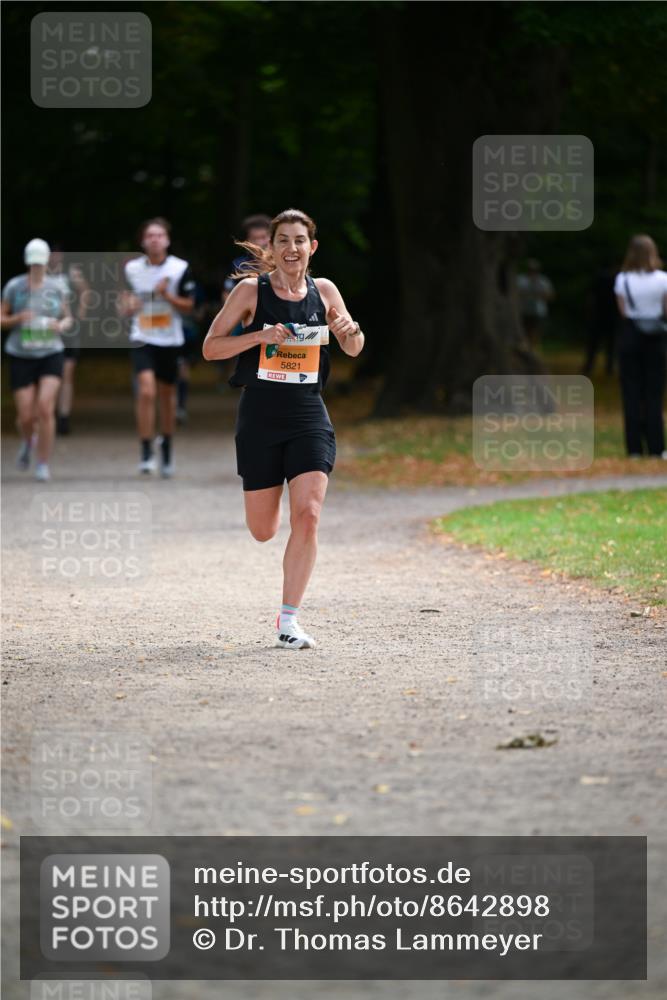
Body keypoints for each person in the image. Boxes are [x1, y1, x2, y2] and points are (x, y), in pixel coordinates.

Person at [202, 208, 364, 649]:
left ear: (311, 248)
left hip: (309, 415)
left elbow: (352, 346)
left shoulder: (324, 290)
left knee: (308, 515)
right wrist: (259, 337)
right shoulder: (249, 291)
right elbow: (211, 348)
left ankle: (288, 620)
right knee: (263, 530)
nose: (291, 249)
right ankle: (267, 528)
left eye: (299, 241)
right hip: (259, 418)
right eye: (283, 241)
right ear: (270, 248)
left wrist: (350, 330)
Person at [120, 217, 196, 476]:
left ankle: (166, 446)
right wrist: (127, 307)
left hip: (170, 338)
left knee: (166, 396)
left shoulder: (179, 268)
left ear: (167, 240)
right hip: (142, 336)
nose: (154, 239)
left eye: (159, 235)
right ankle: (145, 449)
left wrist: (166, 295)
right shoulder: (131, 269)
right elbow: (122, 305)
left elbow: (190, 305)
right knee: (146, 391)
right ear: (142, 241)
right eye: (150, 235)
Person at [1, 238, 72, 481]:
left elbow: (68, 318)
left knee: (44, 407)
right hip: (21, 354)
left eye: (40, 264)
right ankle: (28, 440)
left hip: (51, 352)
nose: (37, 268)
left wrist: (59, 325)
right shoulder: (14, 286)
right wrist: (17, 318)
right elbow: (2, 318)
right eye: (33, 264)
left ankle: (42, 462)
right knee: (25, 416)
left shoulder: (58, 287)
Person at [614, 234, 667, 458]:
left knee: (631, 392)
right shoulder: (663, 278)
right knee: (654, 393)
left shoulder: (623, 279)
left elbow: (623, 311)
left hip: (631, 334)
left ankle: (634, 447)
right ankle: (657, 447)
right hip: (656, 337)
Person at [47, 247, 92, 435]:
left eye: (57, 253)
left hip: (68, 328)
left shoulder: (71, 272)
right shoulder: (37, 273)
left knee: (67, 373)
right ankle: (47, 414)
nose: (55, 257)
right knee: (49, 373)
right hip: (46, 327)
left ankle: (63, 416)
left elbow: (86, 291)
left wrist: (80, 313)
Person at [582, 261, 618, 377]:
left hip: (597, 315)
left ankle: (589, 366)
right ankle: (609, 367)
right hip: (610, 316)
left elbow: (590, 297)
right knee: (610, 344)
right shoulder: (616, 279)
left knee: (593, 343)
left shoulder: (598, 278)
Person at [516, 259, 555, 350]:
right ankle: (525, 349)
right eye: (530, 269)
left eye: (534, 269)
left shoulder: (543, 281)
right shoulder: (521, 279)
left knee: (536, 332)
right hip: (523, 310)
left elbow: (551, 296)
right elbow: (515, 293)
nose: (532, 271)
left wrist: (540, 294)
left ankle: (533, 350)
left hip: (539, 311)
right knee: (523, 332)